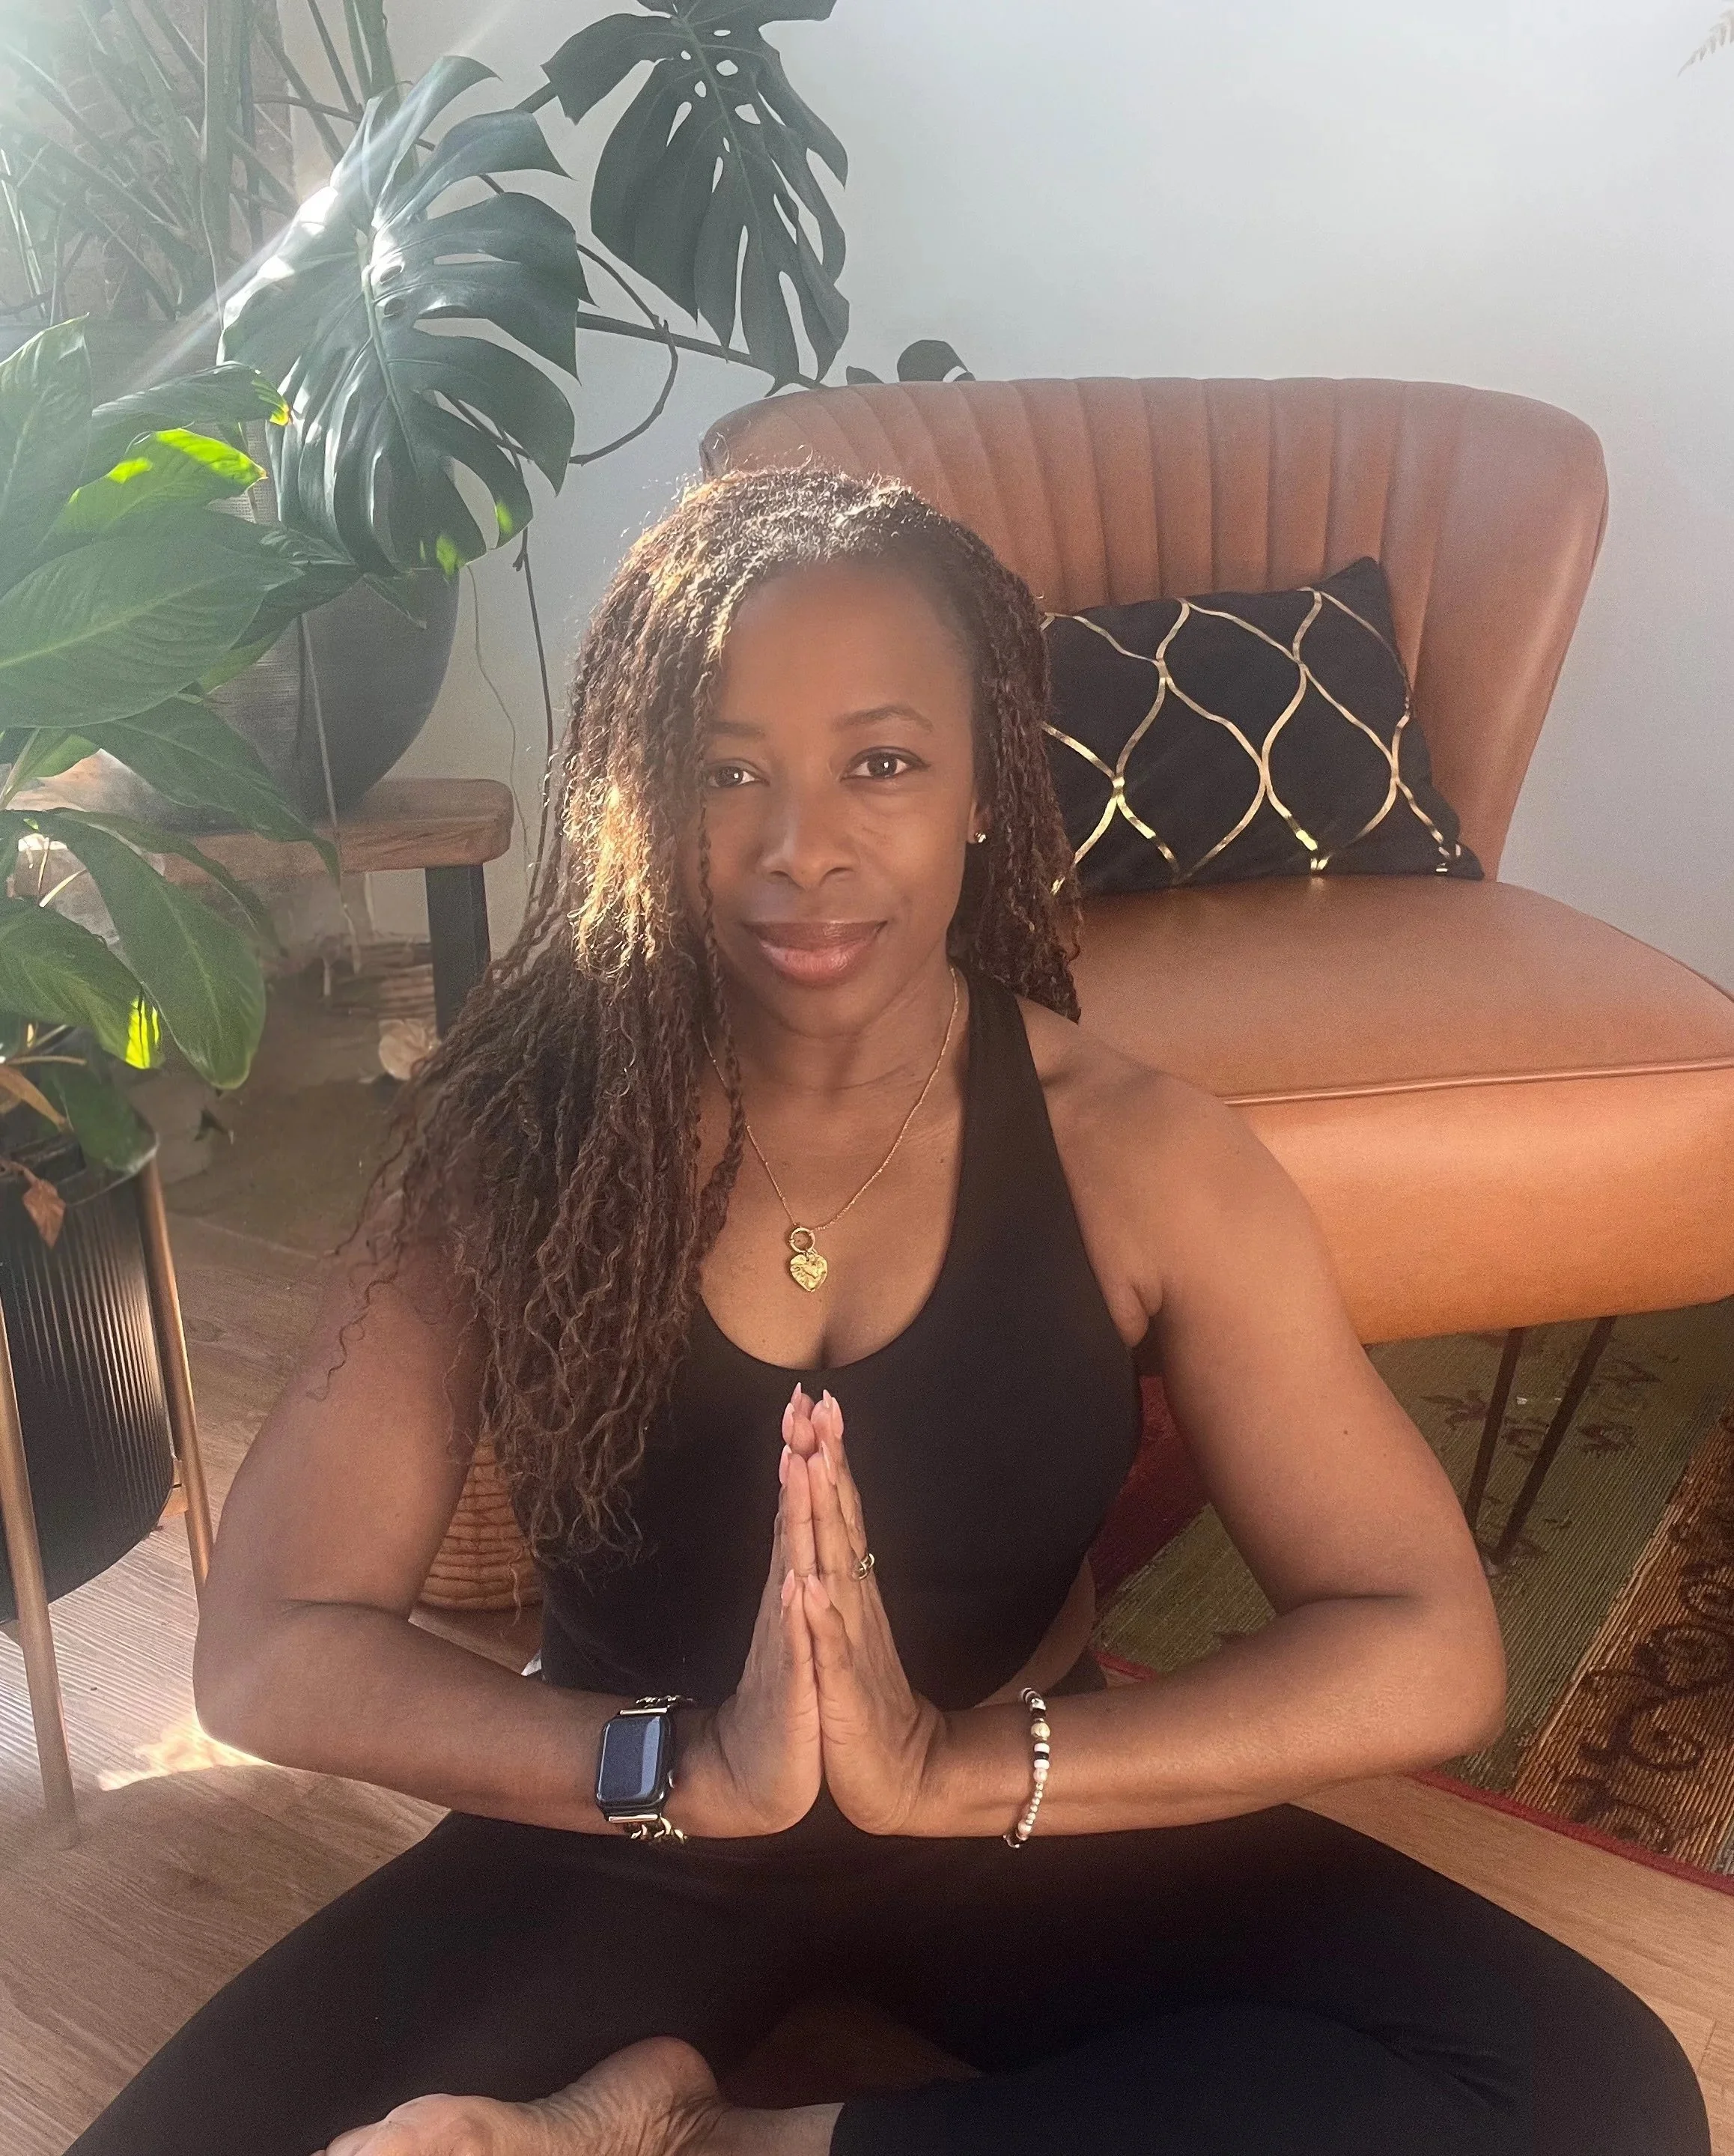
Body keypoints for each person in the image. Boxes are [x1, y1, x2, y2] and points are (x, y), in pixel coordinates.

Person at [68, 467, 1708, 2156]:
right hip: (621, 1823)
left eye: (882, 762)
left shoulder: (1141, 1157)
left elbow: (1423, 1638)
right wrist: (686, 1761)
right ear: (646, 795)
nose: (804, 849)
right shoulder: (515, 1141)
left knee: (1594, 2097)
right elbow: (271, 1637)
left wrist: (954, 1767)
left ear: (984, 782)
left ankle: (722, 2141)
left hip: (1022, 1810)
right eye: (727, 771)